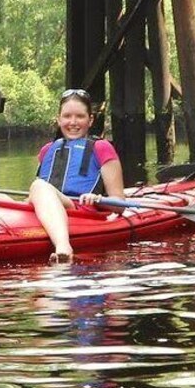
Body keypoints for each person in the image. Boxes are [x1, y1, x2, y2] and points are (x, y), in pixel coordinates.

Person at [30, 88, 125, 264]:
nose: (73, 122)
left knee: (38, 186)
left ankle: (63, 246)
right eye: (67, 116)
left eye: (80, 116)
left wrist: (98, 199)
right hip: (48, 203)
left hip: (78, 210)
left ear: (90, 120)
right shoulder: (46, 150)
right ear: (58, 119)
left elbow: (120, 204)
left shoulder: (102, 148)